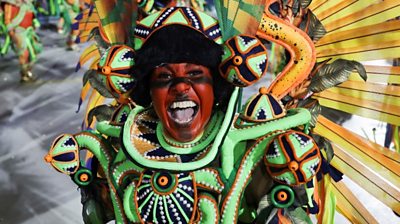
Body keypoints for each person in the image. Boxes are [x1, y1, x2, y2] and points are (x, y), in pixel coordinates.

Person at [1, 0, 41, 82]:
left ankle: (28, 70)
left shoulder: (28, 3)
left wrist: (34, 23)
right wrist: (12, 33)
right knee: (24, 53)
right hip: (18, 31)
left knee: (34, 52)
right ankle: (24, 73)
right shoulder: (10, 3)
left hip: (29, 31)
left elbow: (32, 14)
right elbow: (7, 20)